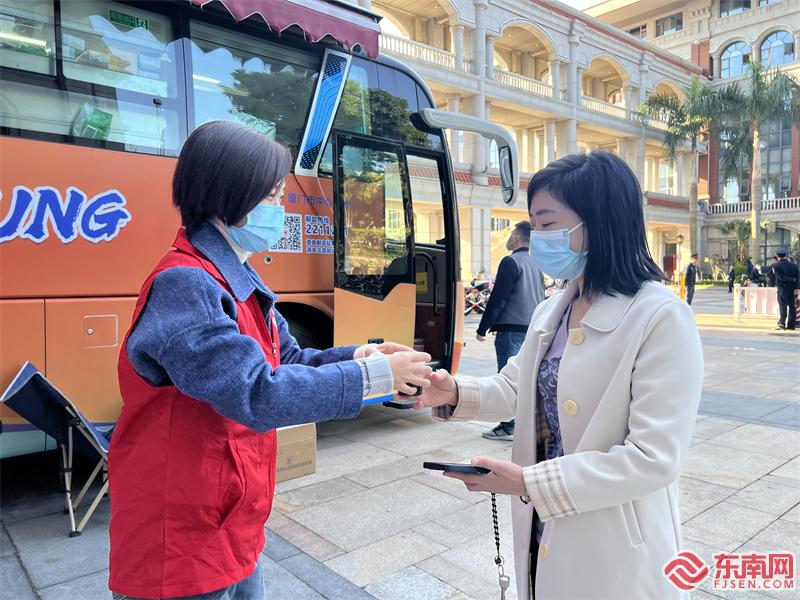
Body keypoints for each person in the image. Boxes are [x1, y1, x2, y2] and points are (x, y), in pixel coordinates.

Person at [107, 121, 432, 600]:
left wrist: (360, 355)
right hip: (183, 530)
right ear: (231, 195)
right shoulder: (188, 283)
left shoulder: (233, 274)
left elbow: (289, 358)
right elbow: (258, 393)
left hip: (228, 514)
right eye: (274, 196)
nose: (281, 209)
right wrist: (371, 377)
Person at [415, 151, 702, 599]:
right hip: (544, 519)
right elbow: (514, 387)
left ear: (599, 222)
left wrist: (527, 482)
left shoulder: (661, 316)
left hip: (613, 539)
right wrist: (450, 391)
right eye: (533, 224)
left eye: (547, 223)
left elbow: (654, 457)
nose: (537, 238)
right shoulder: (553, 309)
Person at [477, 221, 545, 441]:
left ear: (516, 237)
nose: (508, 238)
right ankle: (525, 423)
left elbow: (499, 297)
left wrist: (482, 328)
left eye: (511, 233)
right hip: (531, 328)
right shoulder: (537, 263)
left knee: (508, 379)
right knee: (526, 378)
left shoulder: (511, 261)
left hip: (511, 330)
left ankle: (508, 426)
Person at [773, 247, 800, 330]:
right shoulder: (794, 266)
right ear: (786, 255)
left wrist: (791, 280)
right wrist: (797, 288)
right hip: (792, 289)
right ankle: (791, 325)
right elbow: (798, 278)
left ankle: (782, 324)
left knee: (783, 307)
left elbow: (780, 277)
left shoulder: (776, 266)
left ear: (777, 256)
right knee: (792, 307)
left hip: (782, 289)